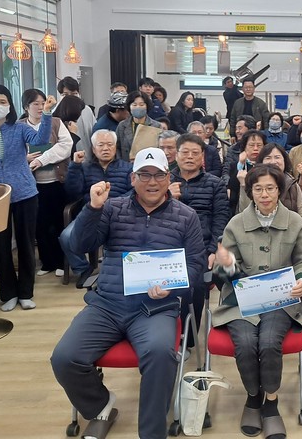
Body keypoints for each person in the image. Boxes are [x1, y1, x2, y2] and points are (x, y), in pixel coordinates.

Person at [51, 148, 206, 439]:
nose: (152, 181)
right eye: (144, 175)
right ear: (133, 178)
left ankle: (152, 433)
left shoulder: (186, 216)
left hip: (156, 309)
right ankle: (100, 405)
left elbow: (195, 265)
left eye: (158, 175)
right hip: (107, 304)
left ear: (168, 178)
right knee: (64, 358)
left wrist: (172, 287)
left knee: (160, 354)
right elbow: (80, 245)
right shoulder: (112, 208)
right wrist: (93, 208)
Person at [213, 164, 302, 439]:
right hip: (241, 300)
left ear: (279, 190)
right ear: (250, 192)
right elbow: (223, 271)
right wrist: (227, 264)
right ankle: (253, 397)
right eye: (258, 189)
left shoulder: (294, 222)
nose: (265, 194)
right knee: (246, 343)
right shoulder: (236, 224)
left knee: (270, 342)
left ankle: (271, 402)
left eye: (270, 188)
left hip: (280, 299)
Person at [0, 84, 56, 311]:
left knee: (26, 243)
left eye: (3, 102)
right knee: (1, 246)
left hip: (25, 192)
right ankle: (9, 294)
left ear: (10, 106)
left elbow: (41, 139)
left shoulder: (19, 128)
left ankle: (25, 293)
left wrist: (46, 114)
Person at [170, 134, 229, 353]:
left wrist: (213, 250)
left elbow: (221, 219)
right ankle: (162, 332)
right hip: (168, 246)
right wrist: (169, 198)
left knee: (193, 284)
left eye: (195, 153)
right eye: (185, 152)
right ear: (176, 155)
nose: (189, 157)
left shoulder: (214, 183)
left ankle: (186, 338)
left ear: (202, 156)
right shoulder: (164, 181)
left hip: (201, 248)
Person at [62, 129, 134, 287]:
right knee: (66, 237)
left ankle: (118, 275)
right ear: (94, 149)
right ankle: (83, 269)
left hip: (119, 214)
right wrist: (75, 166)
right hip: (91, 213)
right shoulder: (84, 167)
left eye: (110, 144)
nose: (106, 148)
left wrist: (113, 202)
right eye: (101, 145)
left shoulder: (127, 168)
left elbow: (134, 191)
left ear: (115, 147)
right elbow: (73, 192)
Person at [18, 89, 72, 278]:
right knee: (39, 224)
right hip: (32, 185)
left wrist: (43, 159)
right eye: (36, 104)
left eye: (43, 103)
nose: (41, 107)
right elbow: (12, 152)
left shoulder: (55, 122)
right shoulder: (19, 126)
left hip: (57, 182)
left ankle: (61, 262)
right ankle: (47, 262)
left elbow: (66, 146)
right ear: (26, 107)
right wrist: (24, 158)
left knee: (59, 222)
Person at [236, 142, 302, 224]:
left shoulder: (292, 184)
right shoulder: (252, 182)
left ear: (284, 160)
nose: (273, 162)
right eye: (268, 158)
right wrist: (243, 185)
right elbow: (243, 213)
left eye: (277, 157)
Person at [227, 130, 266, 214]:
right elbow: (233, 189)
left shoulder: (267, 165)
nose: (255, 148)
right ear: (244, 147)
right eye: (251, 145)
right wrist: (240, 164)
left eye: (259, 145)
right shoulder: (236, 165)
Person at [116, 91, 162, 161]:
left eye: (141, 105)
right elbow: (117, 148)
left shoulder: (156, 126)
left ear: (147, 106)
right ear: (129, 107)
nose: (138, 107)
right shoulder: (122, 125)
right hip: (126, 164)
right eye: (134, 105)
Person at [57, 76, 97, 155]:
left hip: (88, 156)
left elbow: (94, 132)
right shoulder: (56, 113)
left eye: (74, 94)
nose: (70, 98)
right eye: (65, 95)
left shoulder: (86, 109)